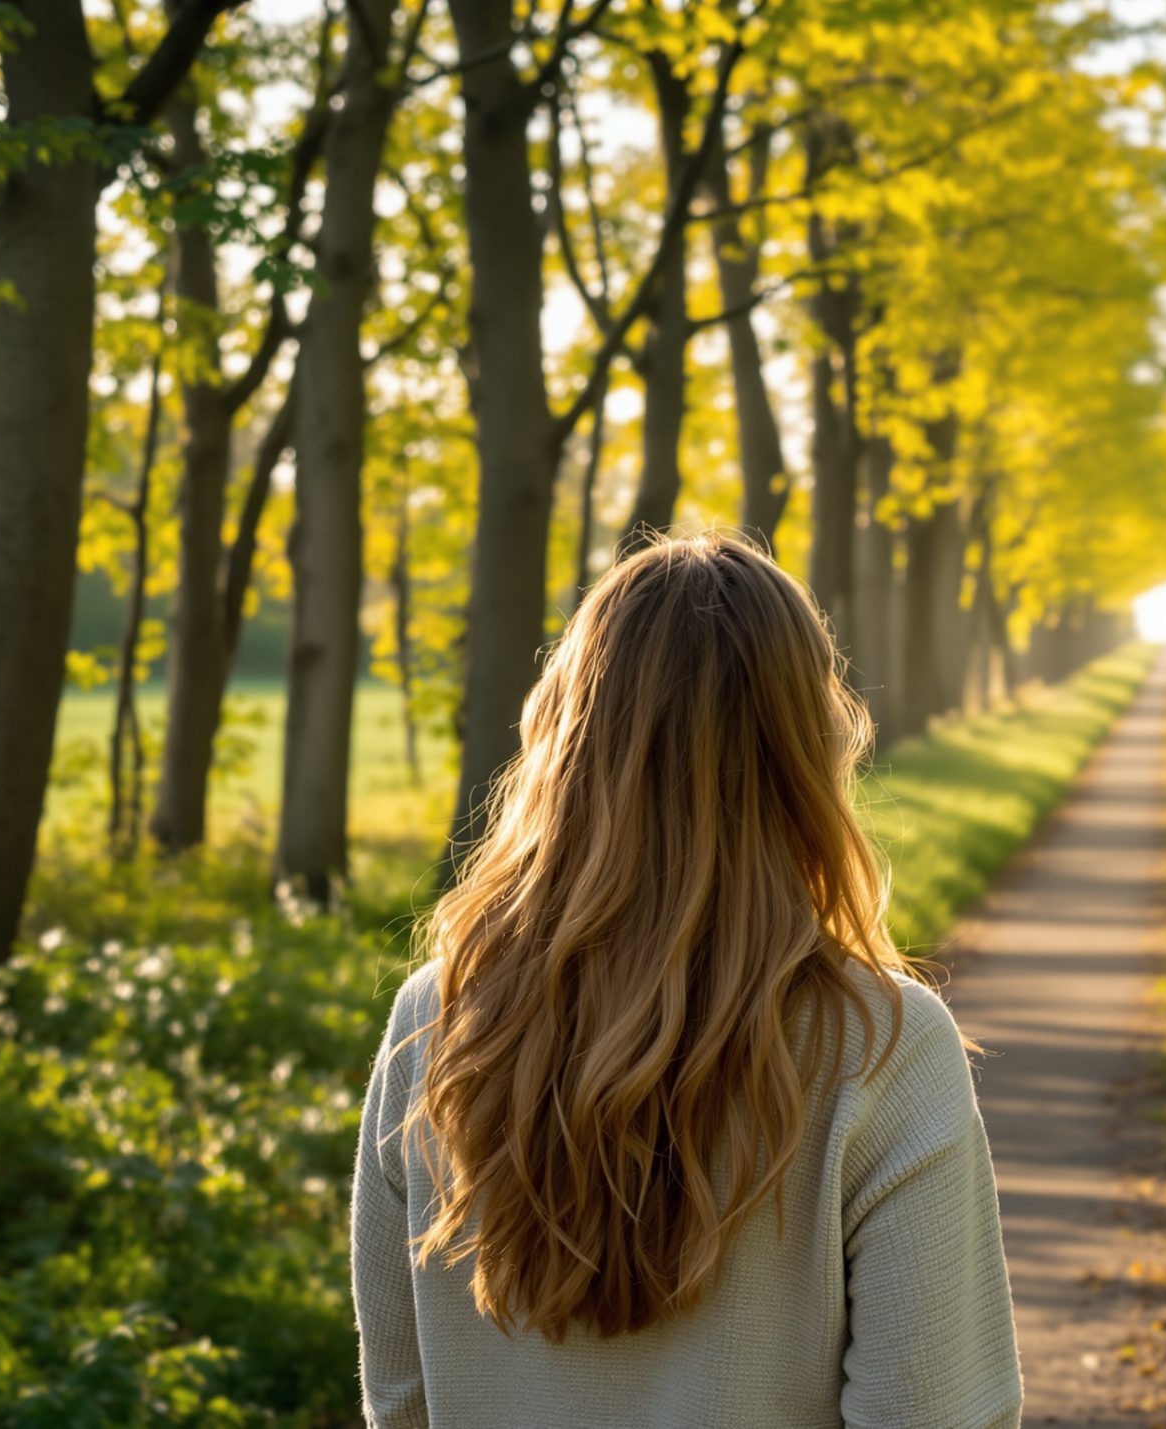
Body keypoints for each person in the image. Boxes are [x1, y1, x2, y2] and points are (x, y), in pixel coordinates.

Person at [350, 533, 1023, 1428]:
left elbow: (400, 1403)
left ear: (562, 736)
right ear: (807, 752)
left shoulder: (439, 1022)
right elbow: (932, 1414)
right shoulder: (883, 1047)